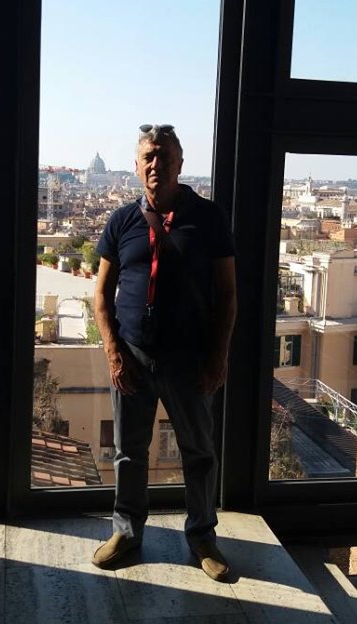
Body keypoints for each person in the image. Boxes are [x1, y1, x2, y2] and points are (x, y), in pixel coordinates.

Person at [90, 123, 237, 581]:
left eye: (164, 155)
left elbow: (228, 293)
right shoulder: (122, 221)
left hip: (188, 357)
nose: (156, 164)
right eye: (148, 157)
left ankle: (202, 537)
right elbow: (101, 294)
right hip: (132, 354)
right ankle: (127, 532)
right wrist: (113, 352)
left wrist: (218, 355)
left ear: (180, 163)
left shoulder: (208, 218)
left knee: (199, 451)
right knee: (128, 451)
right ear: (136, 167)